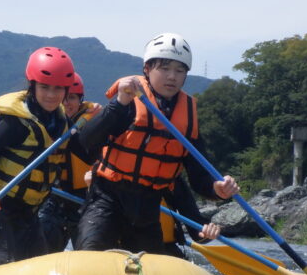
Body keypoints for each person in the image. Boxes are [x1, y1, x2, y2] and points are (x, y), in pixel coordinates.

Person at [75, 32, 235, 254]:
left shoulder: (187, 118)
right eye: (164, 68)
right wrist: (119, 103)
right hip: (106, 200)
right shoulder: (129, 102)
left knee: (149, 271)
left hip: (146, 211)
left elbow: (198, 175)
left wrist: (216, 188)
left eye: (179, 70)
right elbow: (86, 140)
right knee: (90, 254)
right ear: (147, 69)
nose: (172, 77)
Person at [0, 47, 92, 268]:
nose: (52, 95)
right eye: (44, 87)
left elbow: (85, 150)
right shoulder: (15, 123)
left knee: (38, 273)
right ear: (32, 85)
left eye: (58, 89)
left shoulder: (61, 122)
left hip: (29, 215)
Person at [38, 74, 101, 252]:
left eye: (72, 98)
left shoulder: (93, 122)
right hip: (54, 196)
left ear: (80, 100)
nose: (66, 103)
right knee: (44, 245)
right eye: (63, 98)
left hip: (83, 198)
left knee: (88, 249)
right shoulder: (45, 123)